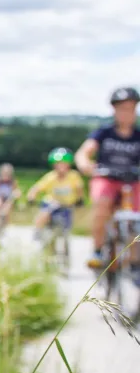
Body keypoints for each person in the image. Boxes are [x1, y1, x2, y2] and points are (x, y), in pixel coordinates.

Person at [74, 86, 140, 271]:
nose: (127, 113)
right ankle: (97, 249)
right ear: (115, 110)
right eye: (122, 109)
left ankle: (135, 260)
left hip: (132, 181)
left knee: (136, 218)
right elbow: (84, 152)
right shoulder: (104, 133)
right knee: (102, 206)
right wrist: (85, 163)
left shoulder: (138, 136)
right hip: (106, 178)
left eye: (131, 109)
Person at [26, 148, 84, 239]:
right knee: (44, 213)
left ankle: (65, 243)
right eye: (58, 164)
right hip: (52, 202)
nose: (61, 166)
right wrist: (31, 197)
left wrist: (80, 199)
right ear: (54, 165)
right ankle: (37, 233)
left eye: (63, 164)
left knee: (67, 226)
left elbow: (79, 188)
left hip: (67, 204)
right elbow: (36, 188)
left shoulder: (73, 176)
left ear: (68, 165)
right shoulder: (51, 177)